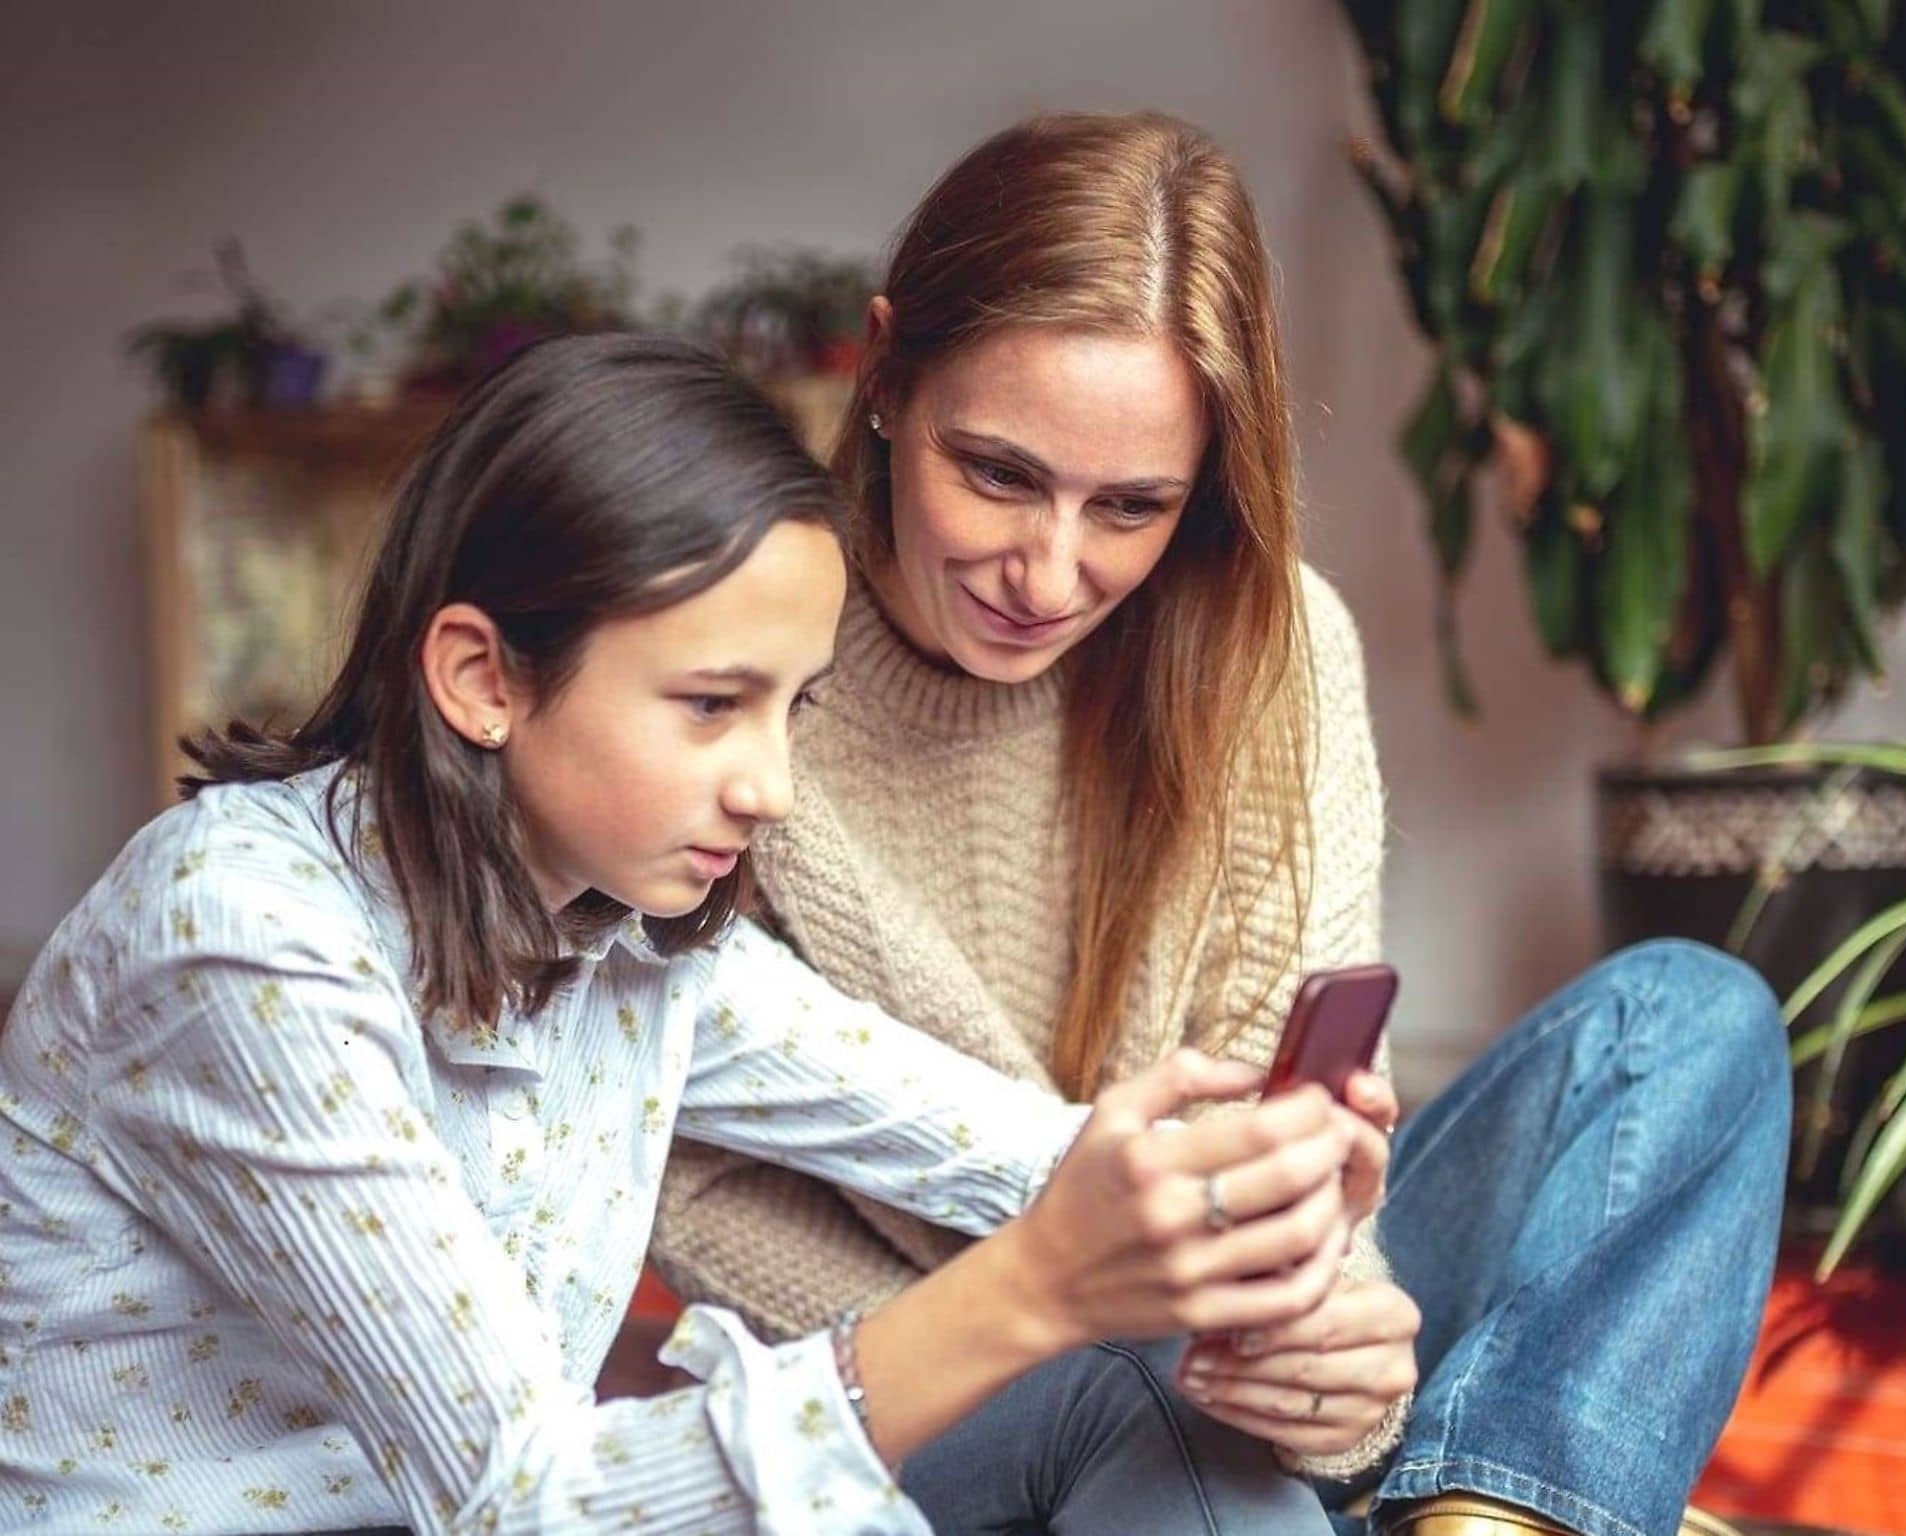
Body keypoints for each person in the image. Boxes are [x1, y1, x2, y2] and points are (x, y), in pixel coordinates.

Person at [0, 334, 1389, 1535]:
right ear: (482, 677)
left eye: (794, 707)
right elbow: (527, 1500)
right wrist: (1034, 1289)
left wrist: (1257, 1200)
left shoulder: (629, 934)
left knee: (1145, 1395)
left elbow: (1014, 1152)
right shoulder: (239, 936)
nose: (769, 788)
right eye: (713, 705)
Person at [652, 114, 1791, 1536]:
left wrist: (1333, 1342)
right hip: (933, 1379)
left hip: (1211, 1331)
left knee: (1688, 1020)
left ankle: (1485, 1513)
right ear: (884, 377)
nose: (1048, 574)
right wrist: (1088, 1325)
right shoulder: (730, 664)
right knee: (1157, 1406)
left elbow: (1289, 1118)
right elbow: (690, 1184)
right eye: (998, 473)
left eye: (1131, 506)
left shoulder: (1274, 652)